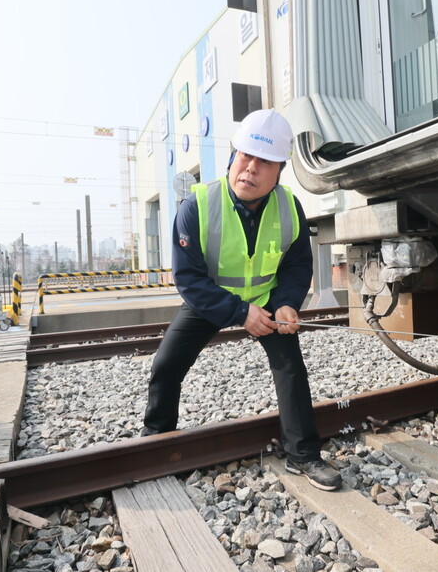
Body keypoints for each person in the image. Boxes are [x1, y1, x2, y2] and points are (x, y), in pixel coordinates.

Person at [141, 109, 342, 491]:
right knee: (167, 365)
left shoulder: (289, 208)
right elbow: (188, 279)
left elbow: (298, 265)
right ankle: (156, 442)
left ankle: (303, 454)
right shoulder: (196, 206)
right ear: (232, 157)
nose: (250, 168)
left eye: (263, 162)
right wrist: (238, 312)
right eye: (244, 156)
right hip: (211, 302)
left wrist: (286, 304)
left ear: (279, 169)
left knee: (291, 370)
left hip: (267, 302)